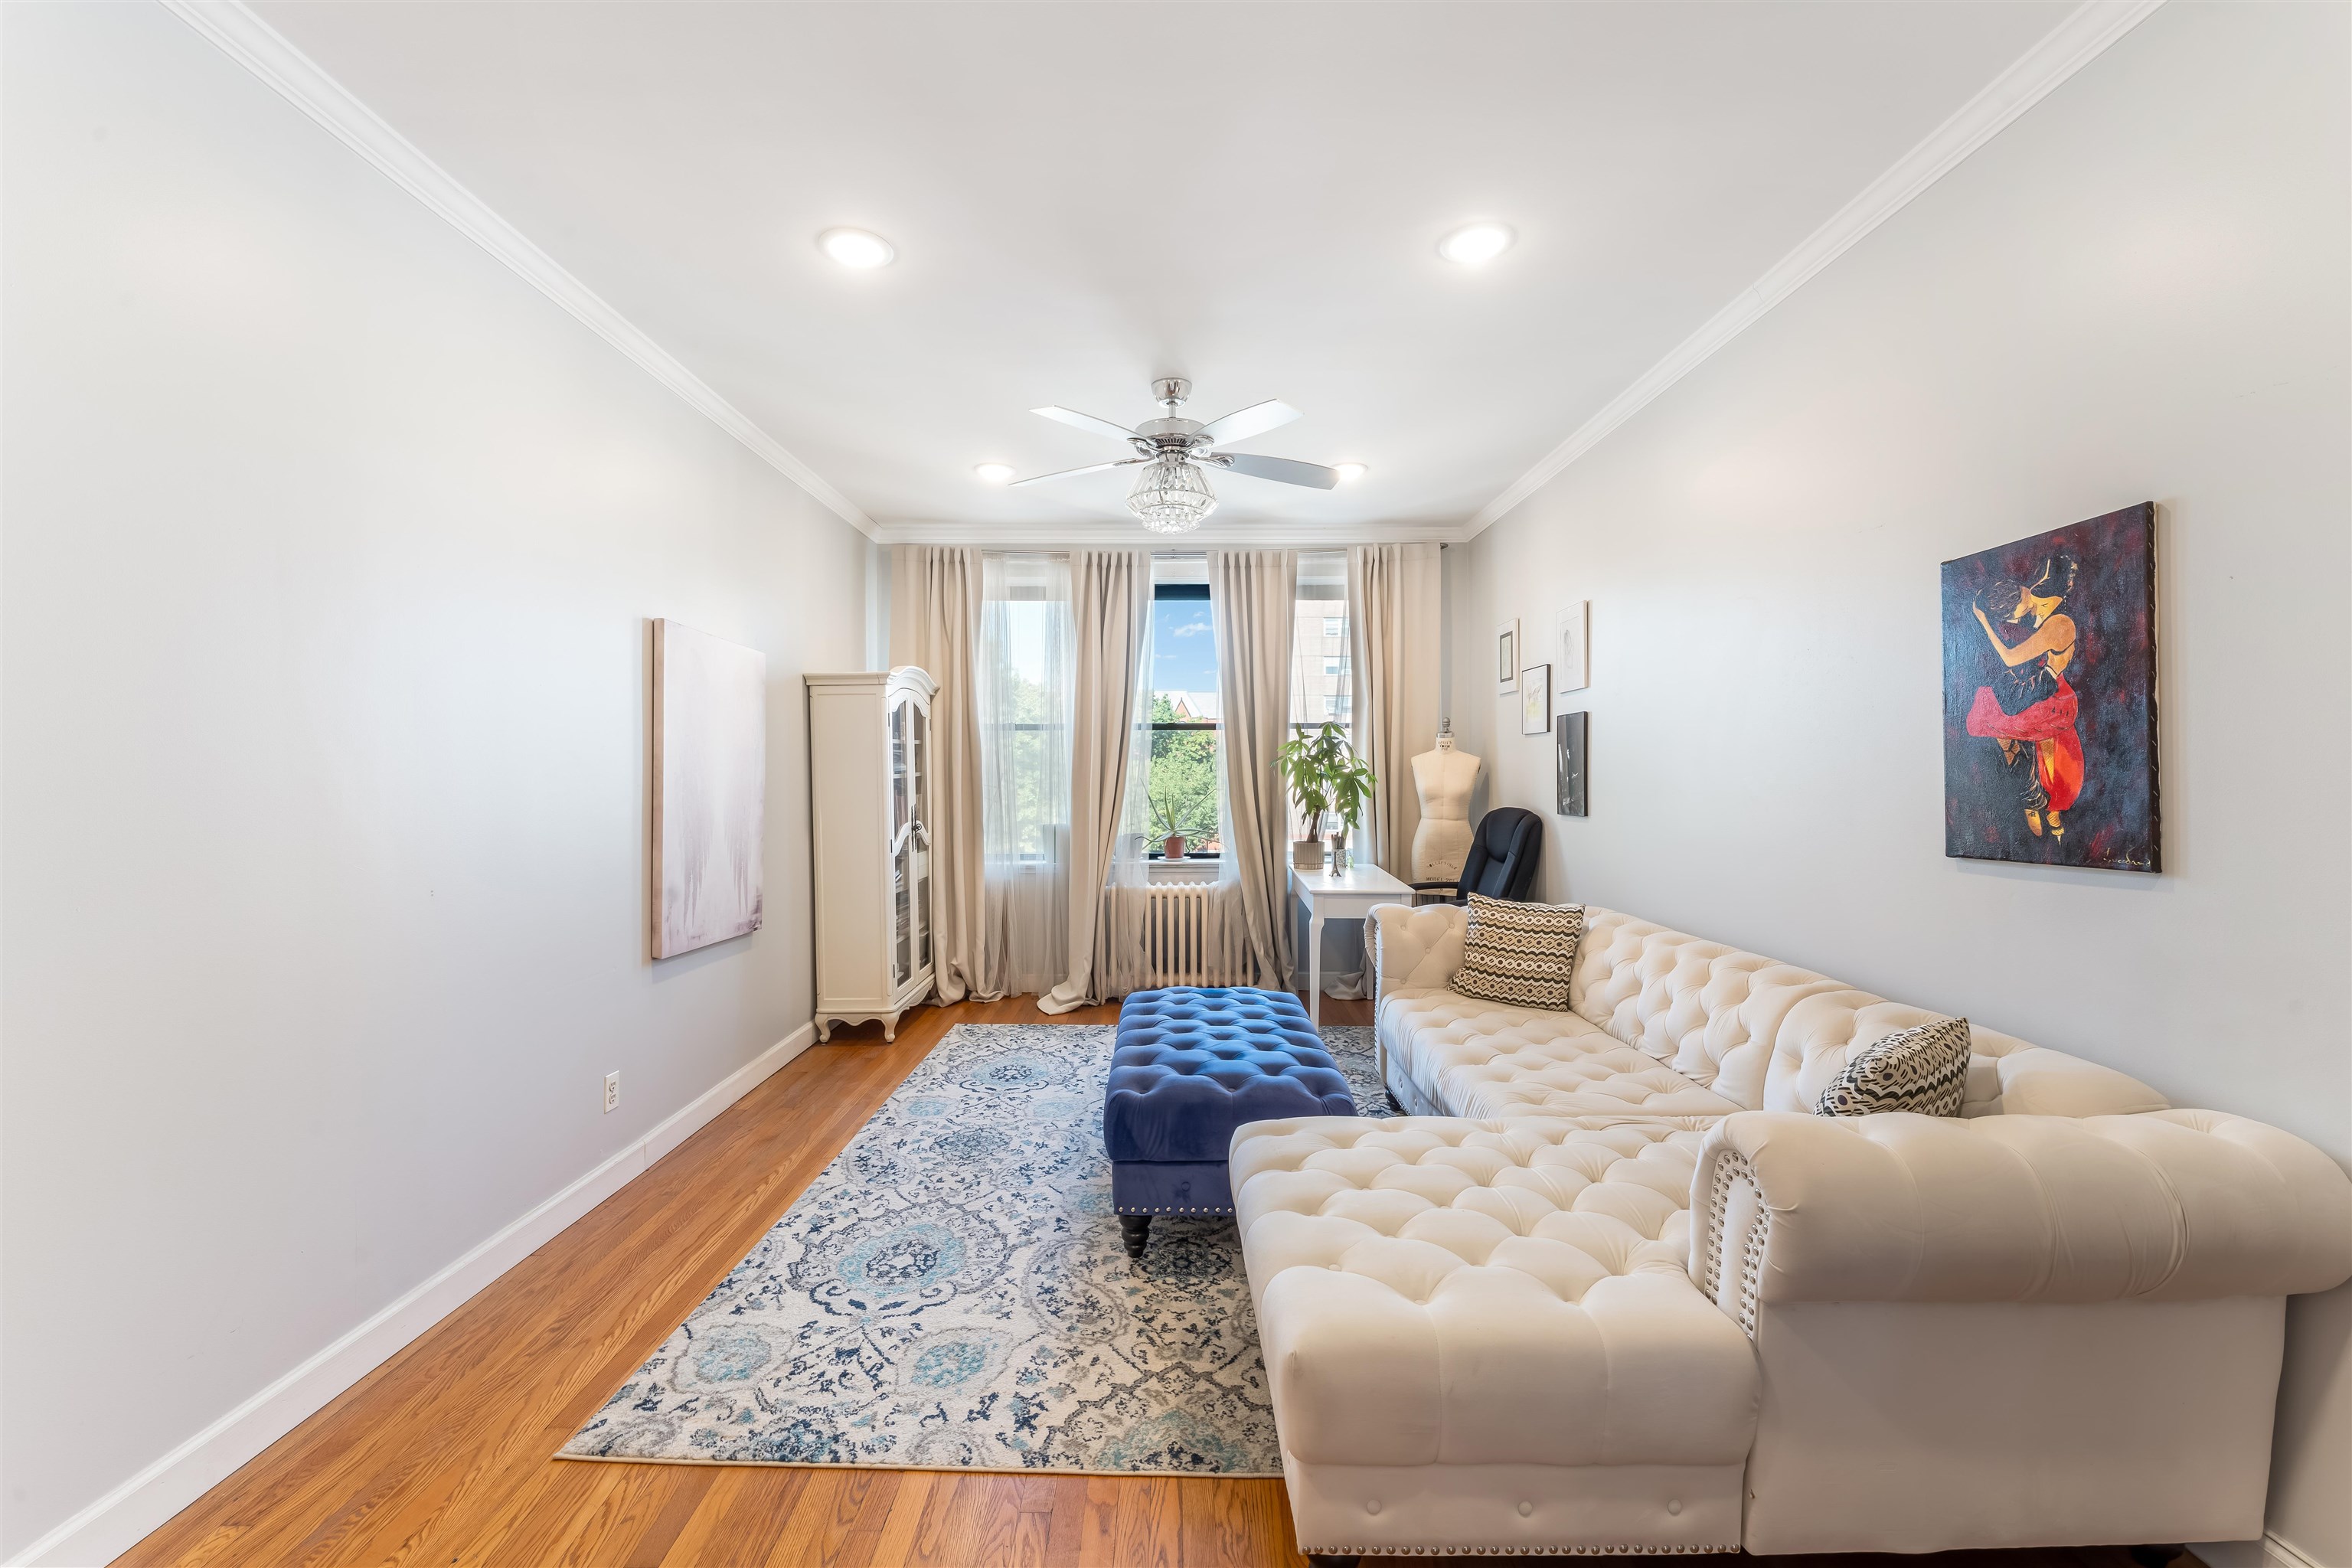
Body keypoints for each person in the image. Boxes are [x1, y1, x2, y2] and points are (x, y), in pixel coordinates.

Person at [1965, 550, 2082, 839]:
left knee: (1998, 716)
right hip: (2036, 691)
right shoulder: (2038, 597)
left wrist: (1983, 620)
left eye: (2009, 618)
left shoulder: (2058, 625)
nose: (2014, 624)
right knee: (1991, 707)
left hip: (2051, 699)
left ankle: (2042, 803)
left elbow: (2009, 657)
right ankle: (2032, 797)